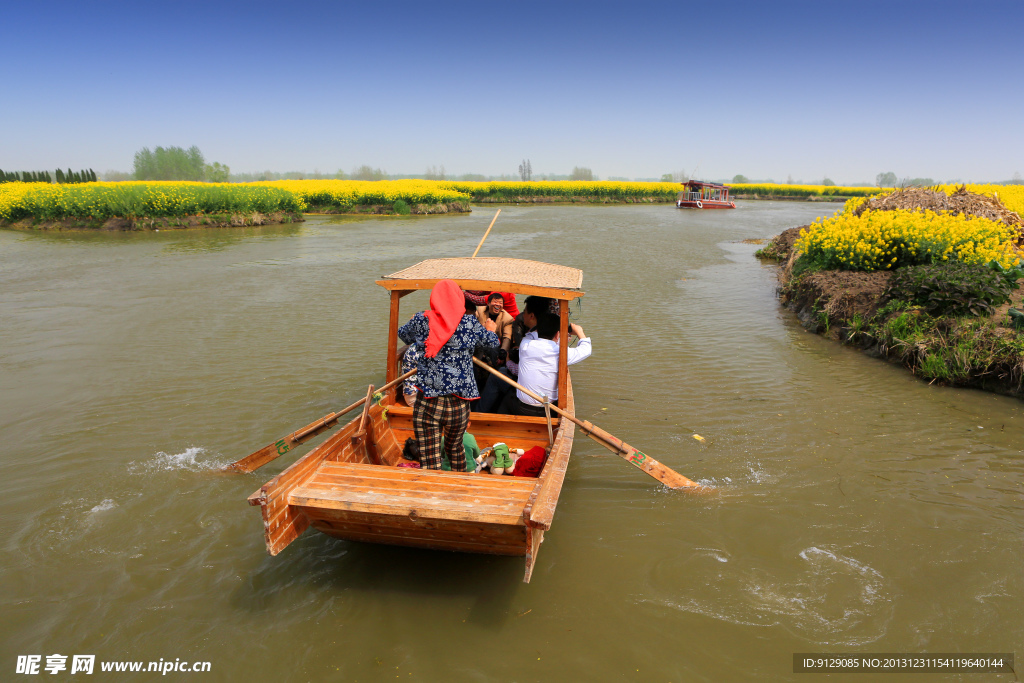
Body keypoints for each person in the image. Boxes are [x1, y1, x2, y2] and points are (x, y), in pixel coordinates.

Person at [398, 280, 499, 470]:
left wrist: (416, 319)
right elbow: (492, 343)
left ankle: (432, 493)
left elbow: (403, 334)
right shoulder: (469, 323)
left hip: (428, 401)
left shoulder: (422, 320)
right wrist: (490, 330)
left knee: (429, 457)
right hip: (458, 403)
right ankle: (457, 487)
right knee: (455, 449)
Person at [500, 312, 591, 417]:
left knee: (507, 397)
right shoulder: (561, 352)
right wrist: (579, 331)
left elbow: (531, 334)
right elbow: (586, 349)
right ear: (557, 334)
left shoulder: (526, 344)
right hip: (548, 410)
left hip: (522, 408)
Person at [477, 295, 549, 413]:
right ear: (489, 303)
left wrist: (506, 358)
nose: (522, 314)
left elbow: (507, 339)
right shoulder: (479, 311)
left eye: (524, 311)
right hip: (481, 350)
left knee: (496, 375)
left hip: (528, 393)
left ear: (531, 316)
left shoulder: (527, 342)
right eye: (495, 302)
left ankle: (479, 412)